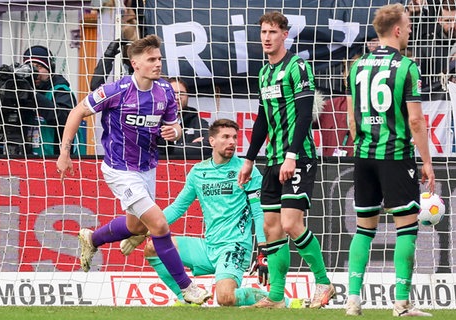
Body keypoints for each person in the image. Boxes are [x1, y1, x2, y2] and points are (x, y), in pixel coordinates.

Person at [55, 35, 211, 305]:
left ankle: (92, 238)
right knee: (159, 224)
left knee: (135, 226)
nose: (157, 64)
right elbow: (77, 112)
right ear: (135, 64)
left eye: (159, 58)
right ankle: (187, 287)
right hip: (119, 169)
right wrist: (65, 152)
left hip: (147, 167)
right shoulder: (116, 90)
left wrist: (174, 132)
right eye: (151, 59)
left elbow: (175, 128)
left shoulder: (165, 93)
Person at [121, 119, 305, 307]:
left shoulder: (246, 170)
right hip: (208, 246)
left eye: (234, 137)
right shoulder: (198, 172)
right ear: (212, 141)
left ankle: (283, 300)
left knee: (225, 298)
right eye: (225, 137)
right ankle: (187, 298)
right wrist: (144, 229)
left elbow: (259, 213)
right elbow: (178, 208)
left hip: (234, 247)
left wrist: (264, 248)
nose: (232, 142)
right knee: (153, 248)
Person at [237, 11, 335, 309]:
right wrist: (250, 159)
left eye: (272, 32)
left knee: (292, 223)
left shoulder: (298, 67)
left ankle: (323, 282)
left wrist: (292, 156)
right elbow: (263, 120)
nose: (266, 38)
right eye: (263, 32)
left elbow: (305, 114)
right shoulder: (264, 73)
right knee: (271, 228)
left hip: (298, 156)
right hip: (272, 160)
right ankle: (276, 296)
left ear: (285, 35)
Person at [344, 3, 435, 317]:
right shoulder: (407, 66)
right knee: (406, 229)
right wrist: (427, 161)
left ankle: (353, 301)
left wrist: (362, 146)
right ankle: (401, 303)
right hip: (396, 157)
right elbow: (415, 122)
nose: (409, 31)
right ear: (397, 30)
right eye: (408, 27)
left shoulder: (356, 66)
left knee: (364, 229)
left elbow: (351, 117)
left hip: (364, 157)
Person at [0, 45, 76, 156]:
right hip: (25, 156)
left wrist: (33, 96)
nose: (35, 73)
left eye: (39, 67)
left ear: (50, 70)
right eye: (30, 67)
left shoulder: (61, 90)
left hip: (54, 158)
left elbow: (65, 118)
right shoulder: (21, 91)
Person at [163, 77, 212, 158]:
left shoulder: (198, 122)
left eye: (181, 93)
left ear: (187, 96)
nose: (177, 97)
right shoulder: (155, 120)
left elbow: (208, 145)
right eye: (172, 93)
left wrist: (168, 150)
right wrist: (192, 146)